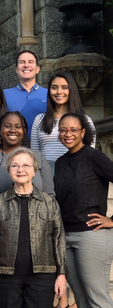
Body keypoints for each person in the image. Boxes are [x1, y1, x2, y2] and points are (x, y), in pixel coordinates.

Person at [0, 147, 67, 308]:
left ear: (35, 170)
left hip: (42, 276)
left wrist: (61, 274)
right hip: (4, 276)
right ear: (8, 170)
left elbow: (59, 239)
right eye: (15, 166)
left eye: (26, 165)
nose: (20, 170)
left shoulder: (49, 203)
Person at [53, 113, 113, 308]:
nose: (67, 134)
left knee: (97, 299)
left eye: (73, 130)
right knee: (80, 298)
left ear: (83, 132)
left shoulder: (94, 156)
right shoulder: (61, 162)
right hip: (66, 236)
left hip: (91, 235)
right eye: (63, 130)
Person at [0, 111, 54, 205]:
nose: (13, 130)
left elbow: (49, 196)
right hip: (0, 217)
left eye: (18, 126)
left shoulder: (38, 157)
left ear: (24, 130)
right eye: (7, 126)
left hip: (37, 217)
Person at [31, 72, 96, 168]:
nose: (59, 92)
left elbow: (90, 153)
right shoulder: (39, 119)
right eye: (54, 87)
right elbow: (34, 155)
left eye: (64, 87)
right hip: (46, 173)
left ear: (71, 90)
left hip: (75, 170)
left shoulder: (85, 120)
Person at [4, 50, 47, 128]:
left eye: (30, 62)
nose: (26, 65)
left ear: (38, 69)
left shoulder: (49, 94)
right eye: (22, 62)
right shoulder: (5, 95)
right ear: (16, 70)